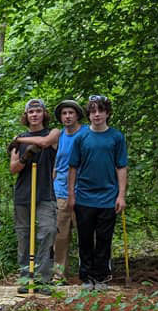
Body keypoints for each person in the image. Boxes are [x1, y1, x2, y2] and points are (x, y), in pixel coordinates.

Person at [67, 95, 128, 290]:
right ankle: (86, 277)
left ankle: (101, 277)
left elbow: (121, 167)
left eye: (100, 110)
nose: (97, 114)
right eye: (93, 111)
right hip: (84, 196)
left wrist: (121, 195)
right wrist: (71, 194)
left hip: (108, 196)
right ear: (88, 115)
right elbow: (73, 168)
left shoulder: (116, 137)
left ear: (107, 113)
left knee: (104, 238)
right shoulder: (81, 138)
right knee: (85, 238)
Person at [9, 99, 57, 293]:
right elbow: (13, 168)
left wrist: (20, 140)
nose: (34, 115)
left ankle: (43, 279)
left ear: (44, 114)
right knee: (23, 236)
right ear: (26, 116)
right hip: (23, 194)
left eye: (38, 111)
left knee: (47, 232)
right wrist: (25, 156)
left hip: (46, 193)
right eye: (31, 112)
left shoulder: (53, 133)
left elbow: (45, 143)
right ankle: (25, 279)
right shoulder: (19, 140)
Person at [51, 100, 88, 280]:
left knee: (87, 234)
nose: (67, 116)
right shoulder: (59, 137)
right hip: (60, 191)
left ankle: (89, 273)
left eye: (70, 113)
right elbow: (56, 164)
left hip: (84, 191)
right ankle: (59, 274)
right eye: (64, 113)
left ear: (77, 115)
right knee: (60, 236)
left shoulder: (87, 133)